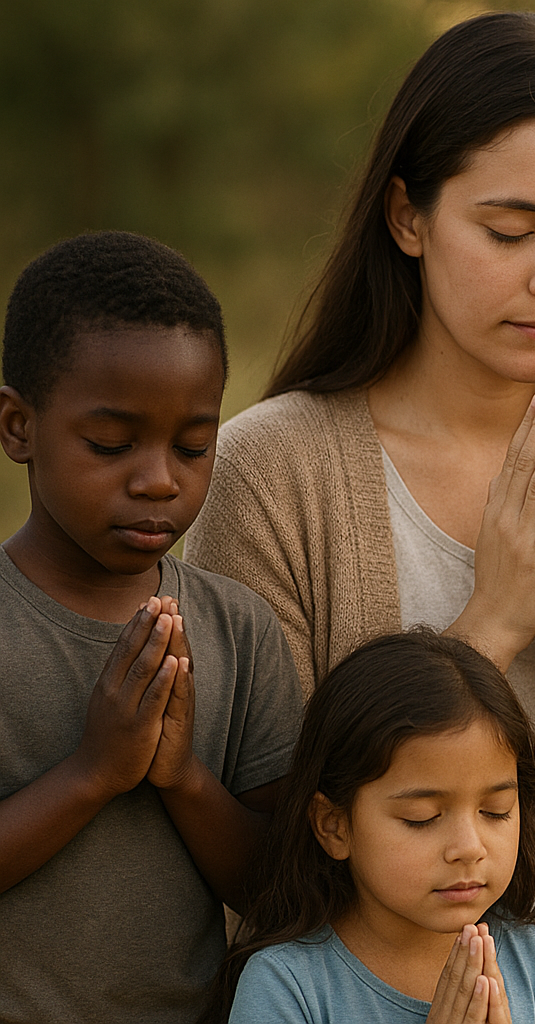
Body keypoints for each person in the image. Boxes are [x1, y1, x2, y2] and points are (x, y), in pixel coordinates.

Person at [184, 11, 535, 1022]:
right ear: (407, 216)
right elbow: (265, 835)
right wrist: (491, 622)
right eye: (510, 230)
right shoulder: (273, 470)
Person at [0, 231, 303, 1023]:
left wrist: (183, 778)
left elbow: (280, 888)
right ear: (18, 426)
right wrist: (93, 773)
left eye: (193, 446)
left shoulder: (238, 631)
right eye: (112, 444)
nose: (159, 479)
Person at [202, 630, 535, 1024]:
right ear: (335, 826)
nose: (469, 847)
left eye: (495, 811)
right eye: (421, 817)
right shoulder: (286, 985)